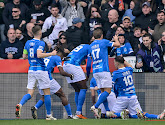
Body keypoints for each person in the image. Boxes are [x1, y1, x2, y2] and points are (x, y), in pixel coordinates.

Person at [15, 25, 57, 120]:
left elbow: (24, 56)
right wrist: (51, 53)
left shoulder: (27, 42)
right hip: (41, 70)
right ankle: (49, 115)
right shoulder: (41, 43)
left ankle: (20, 104)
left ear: (32, 33)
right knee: (47, 93)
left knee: (30, 93)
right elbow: (39, 54)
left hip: (31, 70)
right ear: (40, 32)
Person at [31, 47, 74, 119]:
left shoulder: (47, 55)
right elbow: (62, 72)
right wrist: (70, 75)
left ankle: (35, 107)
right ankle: (70, 115)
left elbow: (50, 62)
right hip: (47, 78)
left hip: (38, 78)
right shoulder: (57, 57)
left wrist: (62, 59)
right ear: (59, 53)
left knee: (45, 95)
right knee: (62, 94)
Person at [89, 28, 120, 118]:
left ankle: (107, 111)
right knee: (108, 91)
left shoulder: (91, 45)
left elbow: (91, 57)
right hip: (104, 70)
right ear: (102, 35)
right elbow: (117, 45)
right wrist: (116, 40)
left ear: (94, 36)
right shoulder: (104, 41)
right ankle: (95, 106)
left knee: (102, 91)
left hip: (95, 71)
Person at [63, 44, 91, 119]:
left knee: (77, 89)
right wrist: (88, 75)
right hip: (73, 65)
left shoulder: (82, 45)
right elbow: (88, 65)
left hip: (65, 65)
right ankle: (78, 113)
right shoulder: (91, 48)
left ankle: (78, 113)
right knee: (83, 87)